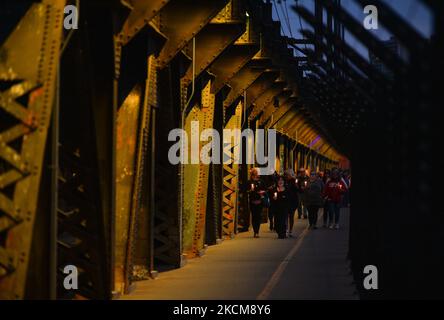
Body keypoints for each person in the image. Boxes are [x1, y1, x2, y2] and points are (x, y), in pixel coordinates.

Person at [247, 167, 266, 238]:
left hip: (259, 201)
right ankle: (255, 231)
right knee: (254, 216)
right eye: (257, 172)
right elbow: (245, 190)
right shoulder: (249, 182)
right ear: (254, 173)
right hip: (252, 201)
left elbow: (265, 189)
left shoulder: (261, 181)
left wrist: (262, 192)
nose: (258, 173)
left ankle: (257, 231)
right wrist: (250, 190)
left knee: (258, 217)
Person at [284, 169, 299, 237]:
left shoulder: (294, 181)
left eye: (288, 174)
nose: (287, 176)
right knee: (286, 216)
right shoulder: (284, 181)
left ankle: (290, 230)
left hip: (293, 201)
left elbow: (299, 190)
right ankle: (286, 229)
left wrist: (296, 185)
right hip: (286, 201)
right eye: (286, 174)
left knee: (291, 216)